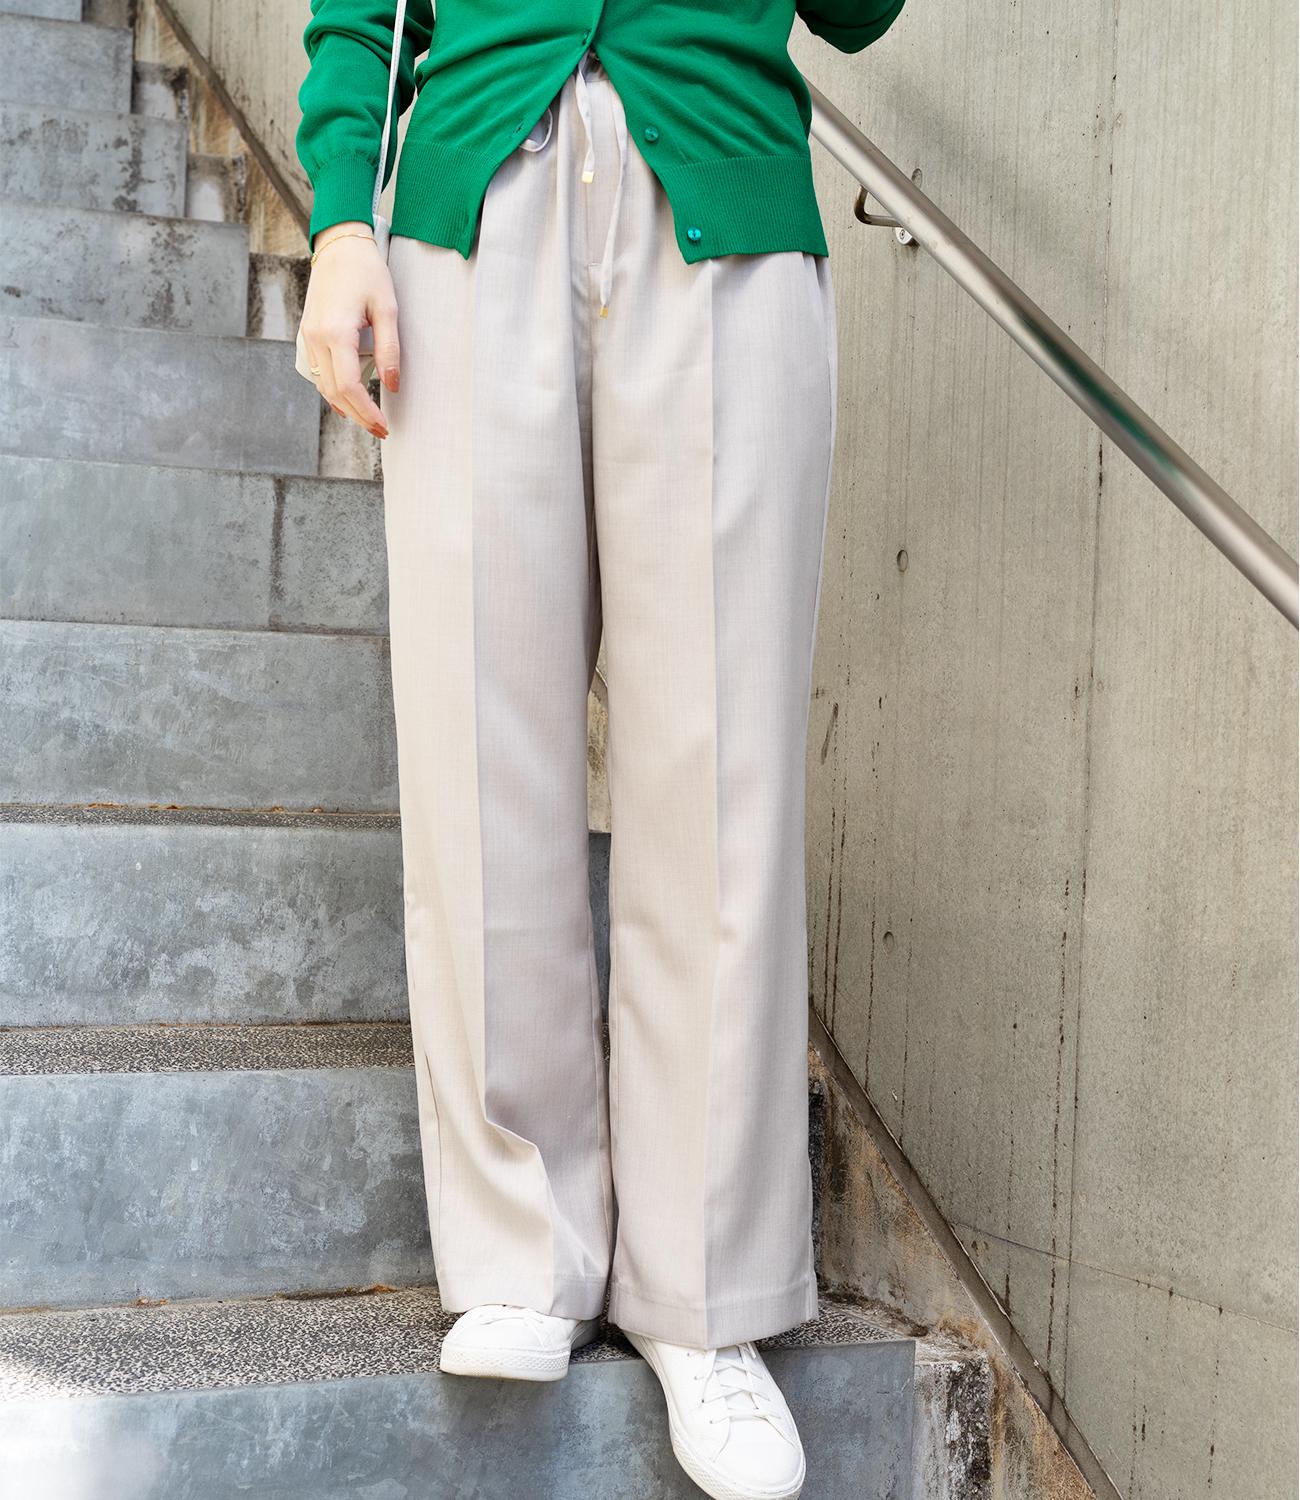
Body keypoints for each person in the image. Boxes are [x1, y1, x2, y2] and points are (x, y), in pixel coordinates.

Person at [295, 3, 907, 1496]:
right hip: (471, 208)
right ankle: (521, 1245)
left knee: (721, 768)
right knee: (479, 741)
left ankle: (707, 1296)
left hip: (724, 207)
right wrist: (341, 220)